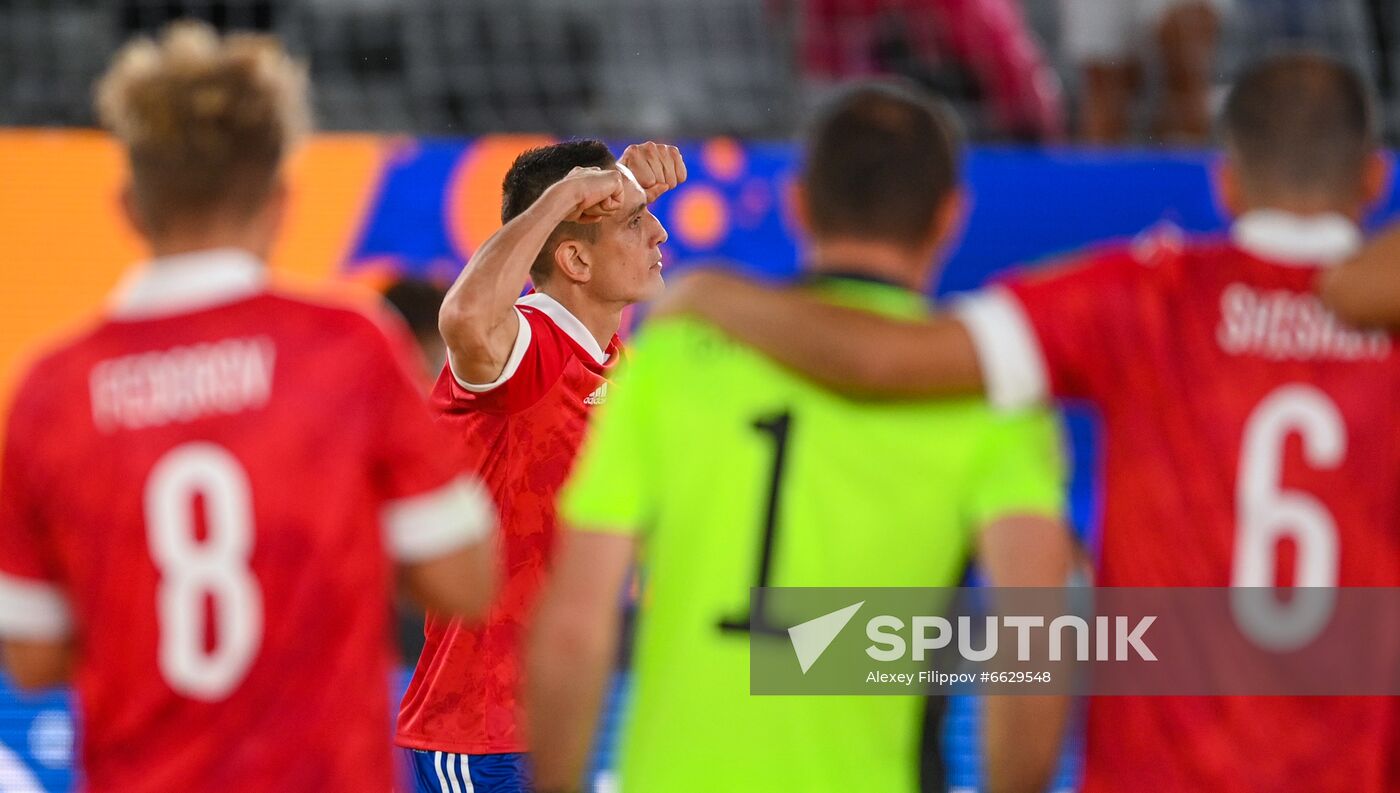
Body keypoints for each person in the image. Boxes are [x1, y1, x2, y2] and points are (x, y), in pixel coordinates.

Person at [655, 54, 1400, 793]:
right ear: (1372, 180)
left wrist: (716, 294)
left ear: (1225, 181)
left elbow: (886, 360)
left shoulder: (1145, 294)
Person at [528, 82, 1074, 793]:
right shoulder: (987, 397)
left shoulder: (673, 360)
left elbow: (575, 624)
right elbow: (1030, 641)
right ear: (949, 220)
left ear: (799, 204)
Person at [0, 22, 497, 792]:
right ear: (280, 200)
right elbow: (466, 581)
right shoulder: (348, 349)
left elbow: (31, 656)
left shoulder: (53, 390)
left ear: (129, 206)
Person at [394, 139, 684, 793]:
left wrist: (623, 185)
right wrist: (563, 198)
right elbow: (466, 317)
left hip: (550, 720)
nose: (661, 231)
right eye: (638, 222)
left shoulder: (611, 358)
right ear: (575, 258)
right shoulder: (527, 346)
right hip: (480, 731)